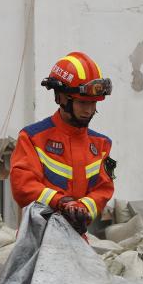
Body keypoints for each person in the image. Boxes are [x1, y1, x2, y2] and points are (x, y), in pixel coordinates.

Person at [10, 52, 116, 234]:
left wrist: (82, 208)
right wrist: (61, 202)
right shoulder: (32, 138)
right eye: (83, 102)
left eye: (94, 103)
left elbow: (103, 189)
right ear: (61, 97)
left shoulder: (101, 144)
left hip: (76, 238)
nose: (89, 110)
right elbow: (23, 186)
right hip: (37, 241)